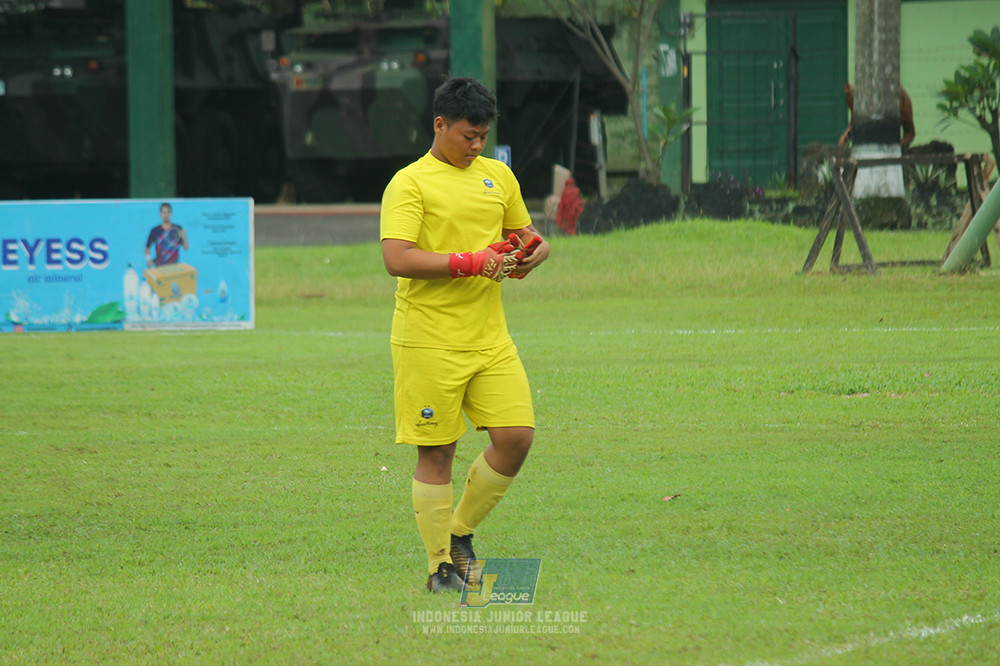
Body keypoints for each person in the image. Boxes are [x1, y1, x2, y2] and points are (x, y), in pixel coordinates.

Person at [379, 77, 551, 592]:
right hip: (428, 338)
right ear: (440, 125)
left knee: (516, 437)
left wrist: (535, 251)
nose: (476, 146)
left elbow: (524, 236)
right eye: (467, 136)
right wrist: (470, 261)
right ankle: (439, 569)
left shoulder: (498, 176)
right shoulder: (410, 183)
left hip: (490, 339)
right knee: (437, 453)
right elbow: (397, 258)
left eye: (482, 136)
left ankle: (459, 532)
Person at [839, 83, 916, 148]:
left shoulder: (901, 99)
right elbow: (853, 127)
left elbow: (910, 133)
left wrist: (900, 147)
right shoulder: (860, 97)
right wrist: (841, 146)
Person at [145, 202, 189, 267]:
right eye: (164, 212)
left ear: (171, 214)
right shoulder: (154, 231)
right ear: (160, 214)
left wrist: (184, 237)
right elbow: (147, 248)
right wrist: (148, 260)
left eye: (168, 212)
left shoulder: (178, 229)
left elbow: (185, 248)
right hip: (159, 267)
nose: (166, 215)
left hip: (175, 267)